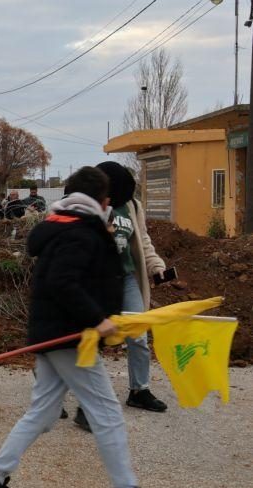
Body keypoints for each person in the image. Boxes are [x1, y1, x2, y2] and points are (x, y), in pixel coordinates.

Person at [0, 166, 180, 488]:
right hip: (69, 335)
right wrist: (98, 319)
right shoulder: (81, 232)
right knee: (107, 414)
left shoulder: (65, 224)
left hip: (57, 333)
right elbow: (64, 284)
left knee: (44, 413)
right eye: (110, 198)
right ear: (103, 199)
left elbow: (70, 281)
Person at [72, 161, 170, 432]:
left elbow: (144, 243)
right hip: (95, 281)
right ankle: (85, 402)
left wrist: (157, 268)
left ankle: (139, 390)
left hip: (125, 278)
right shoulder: (88, 204)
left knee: (138, 334)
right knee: (93, 338)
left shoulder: (133, 206)